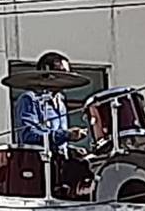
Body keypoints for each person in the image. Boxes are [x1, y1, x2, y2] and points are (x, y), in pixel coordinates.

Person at [14, 51, 92, 197]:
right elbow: (28, 135)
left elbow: (56, 138)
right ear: (46, 72)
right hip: (40, 169)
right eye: (62, 72)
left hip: (60, 166)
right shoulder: (30, 99)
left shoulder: (60, 100)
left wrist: (70, 149)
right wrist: (66, 135)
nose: (67, 77)